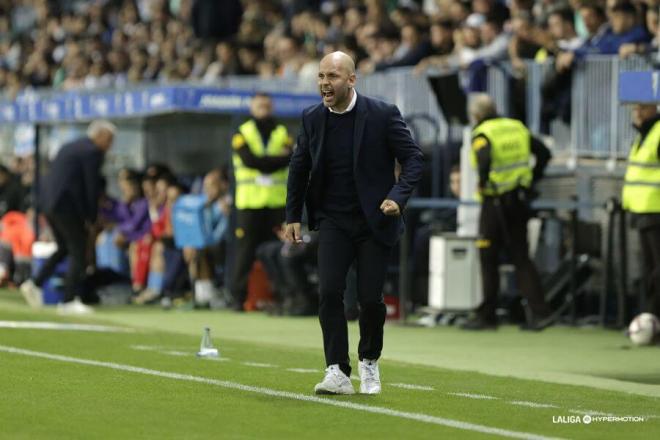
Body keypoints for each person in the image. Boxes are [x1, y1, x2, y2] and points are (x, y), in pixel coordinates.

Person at [285, 51, 423, 395]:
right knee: (329, 291)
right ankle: (337, 370)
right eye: (320, 76)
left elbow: (413, 159)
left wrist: (398, 196)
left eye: (331, 76)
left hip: (375, 219)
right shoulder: (312, 118)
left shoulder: (382, 114)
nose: (324, 83)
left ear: (351, 80)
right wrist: (293, 216)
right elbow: (299, 168)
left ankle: (369, 361)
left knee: (370, 299)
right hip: (333, 220)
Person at [461, 94, 553, 331]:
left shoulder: (483, 133)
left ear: (477, 115)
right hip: (519, 199)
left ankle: (487, 316)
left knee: (487, 255)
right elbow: (543, 153)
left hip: (495, 201)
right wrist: (532, 180)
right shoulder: (517, 127)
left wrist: (483, 181)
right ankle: (540, 313)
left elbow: (484, 159)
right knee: (521, 257)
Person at [20, 120, 116, 314]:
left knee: (64, 247)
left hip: (50, 203)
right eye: (110, 140)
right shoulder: (92, 152)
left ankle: (35, 282)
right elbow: (90, 186)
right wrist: (91, 217)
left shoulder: (71, 146)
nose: (110, 145)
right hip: (65, 205)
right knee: (79, 250)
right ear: (100, 135)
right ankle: (68, 300)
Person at [230, 93, 292, 310]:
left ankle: (283, 297)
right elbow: (249, 160)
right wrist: (275, 161)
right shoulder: (241, 132)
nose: (263, 109)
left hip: (276, 204)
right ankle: (237, 298)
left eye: (267, 105)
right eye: (260, 105)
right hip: (250, 204)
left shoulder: (282, 132)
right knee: (244, 253)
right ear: (252, 108)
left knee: (279, 251)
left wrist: (264, 162)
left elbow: (289, 157)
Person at [621, 104, 660, 320]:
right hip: (643, 211)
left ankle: (653, 317)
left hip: (656, 211)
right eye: (635, 108)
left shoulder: (656, 133)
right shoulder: (643, 135)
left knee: (657, 271)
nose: (636, 113)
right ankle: (650, 318)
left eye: (641, 108)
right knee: (650, 271)